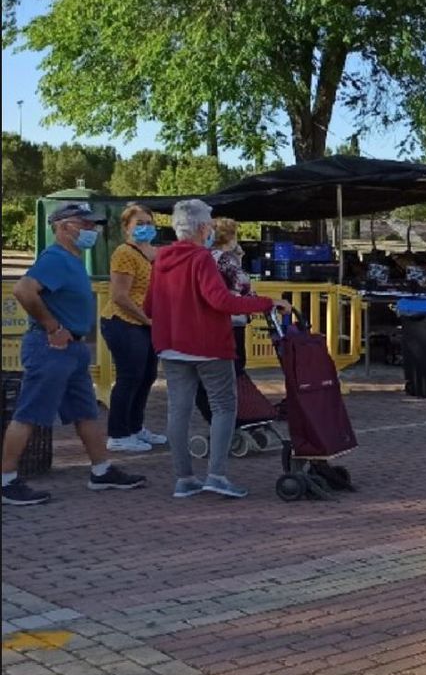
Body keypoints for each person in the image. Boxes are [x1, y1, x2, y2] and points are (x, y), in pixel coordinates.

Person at [2, 203, 147, 506]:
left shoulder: (70, 259)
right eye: (86, 224)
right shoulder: (56, 258)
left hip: (72, 349)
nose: (92, 230)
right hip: (51, 348)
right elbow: (23, 290)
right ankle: (6, 479)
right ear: (64, 226)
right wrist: (53, 327)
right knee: (29, 413)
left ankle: (101, 470)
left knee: (85, 412)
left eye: (93, 225)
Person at [146, 200, 288, 500]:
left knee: (178, 410)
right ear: (202, 228)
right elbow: (220, 300)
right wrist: (265, 303)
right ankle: (217, 474)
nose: (211, 229)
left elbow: (149, 306)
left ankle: (184, 478)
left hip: (171, 346)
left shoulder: (161, 259)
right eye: (209, 224)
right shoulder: (201, 258)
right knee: (224, 406)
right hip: (208, 345)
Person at [101, 204, 166, 453]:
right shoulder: (124, 253)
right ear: (126, 227)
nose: (145, 228)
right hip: (123, 321)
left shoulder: (154, 253)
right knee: (129, 377)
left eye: (149, 223)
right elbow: (120, 296)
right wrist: (146, 319)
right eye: (139, 223)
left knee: (147, 376)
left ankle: (135, 427)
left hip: (147, 323)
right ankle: (118, 434)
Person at [196, 218, 253, 422]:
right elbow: (243, 284)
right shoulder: (225, 259)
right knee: (234, 368)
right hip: (232, 319)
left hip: (208, 321)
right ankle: (231, 417)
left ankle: (217, 415)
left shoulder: (204, 256)